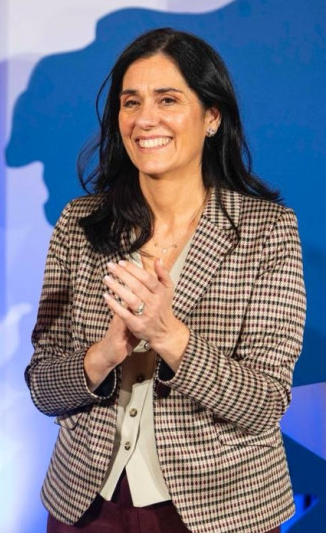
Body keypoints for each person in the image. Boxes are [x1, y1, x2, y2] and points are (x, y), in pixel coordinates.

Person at [26, 28, 306, 533]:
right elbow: (43, 388)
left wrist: (168, 335)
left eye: (168, 99)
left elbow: (265, 403)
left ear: (212, 117)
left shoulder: (267, 230)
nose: (145, 119)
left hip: (219, 510)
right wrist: (106, 353)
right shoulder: (79, 222)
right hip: (86, 507)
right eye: (130, 102)